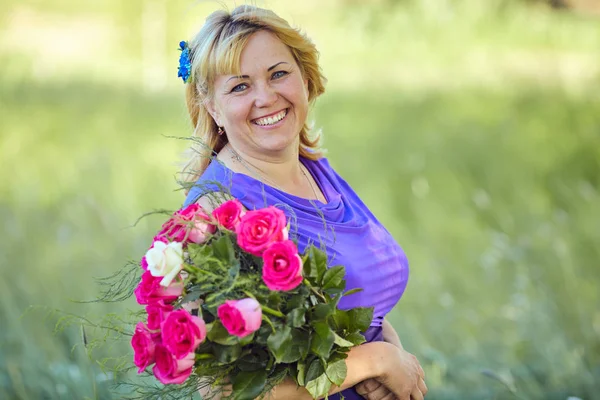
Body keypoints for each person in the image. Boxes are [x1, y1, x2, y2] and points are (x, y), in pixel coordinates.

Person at [179, 5, 427, 400]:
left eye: (278, 74)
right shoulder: (213, 212)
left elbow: (365, 302)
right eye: (240, 86)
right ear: (213, 107)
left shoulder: (316, 171)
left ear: (305, 78)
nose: (266, 97)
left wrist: (393, 359)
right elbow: (224, 390)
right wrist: (375, 362)